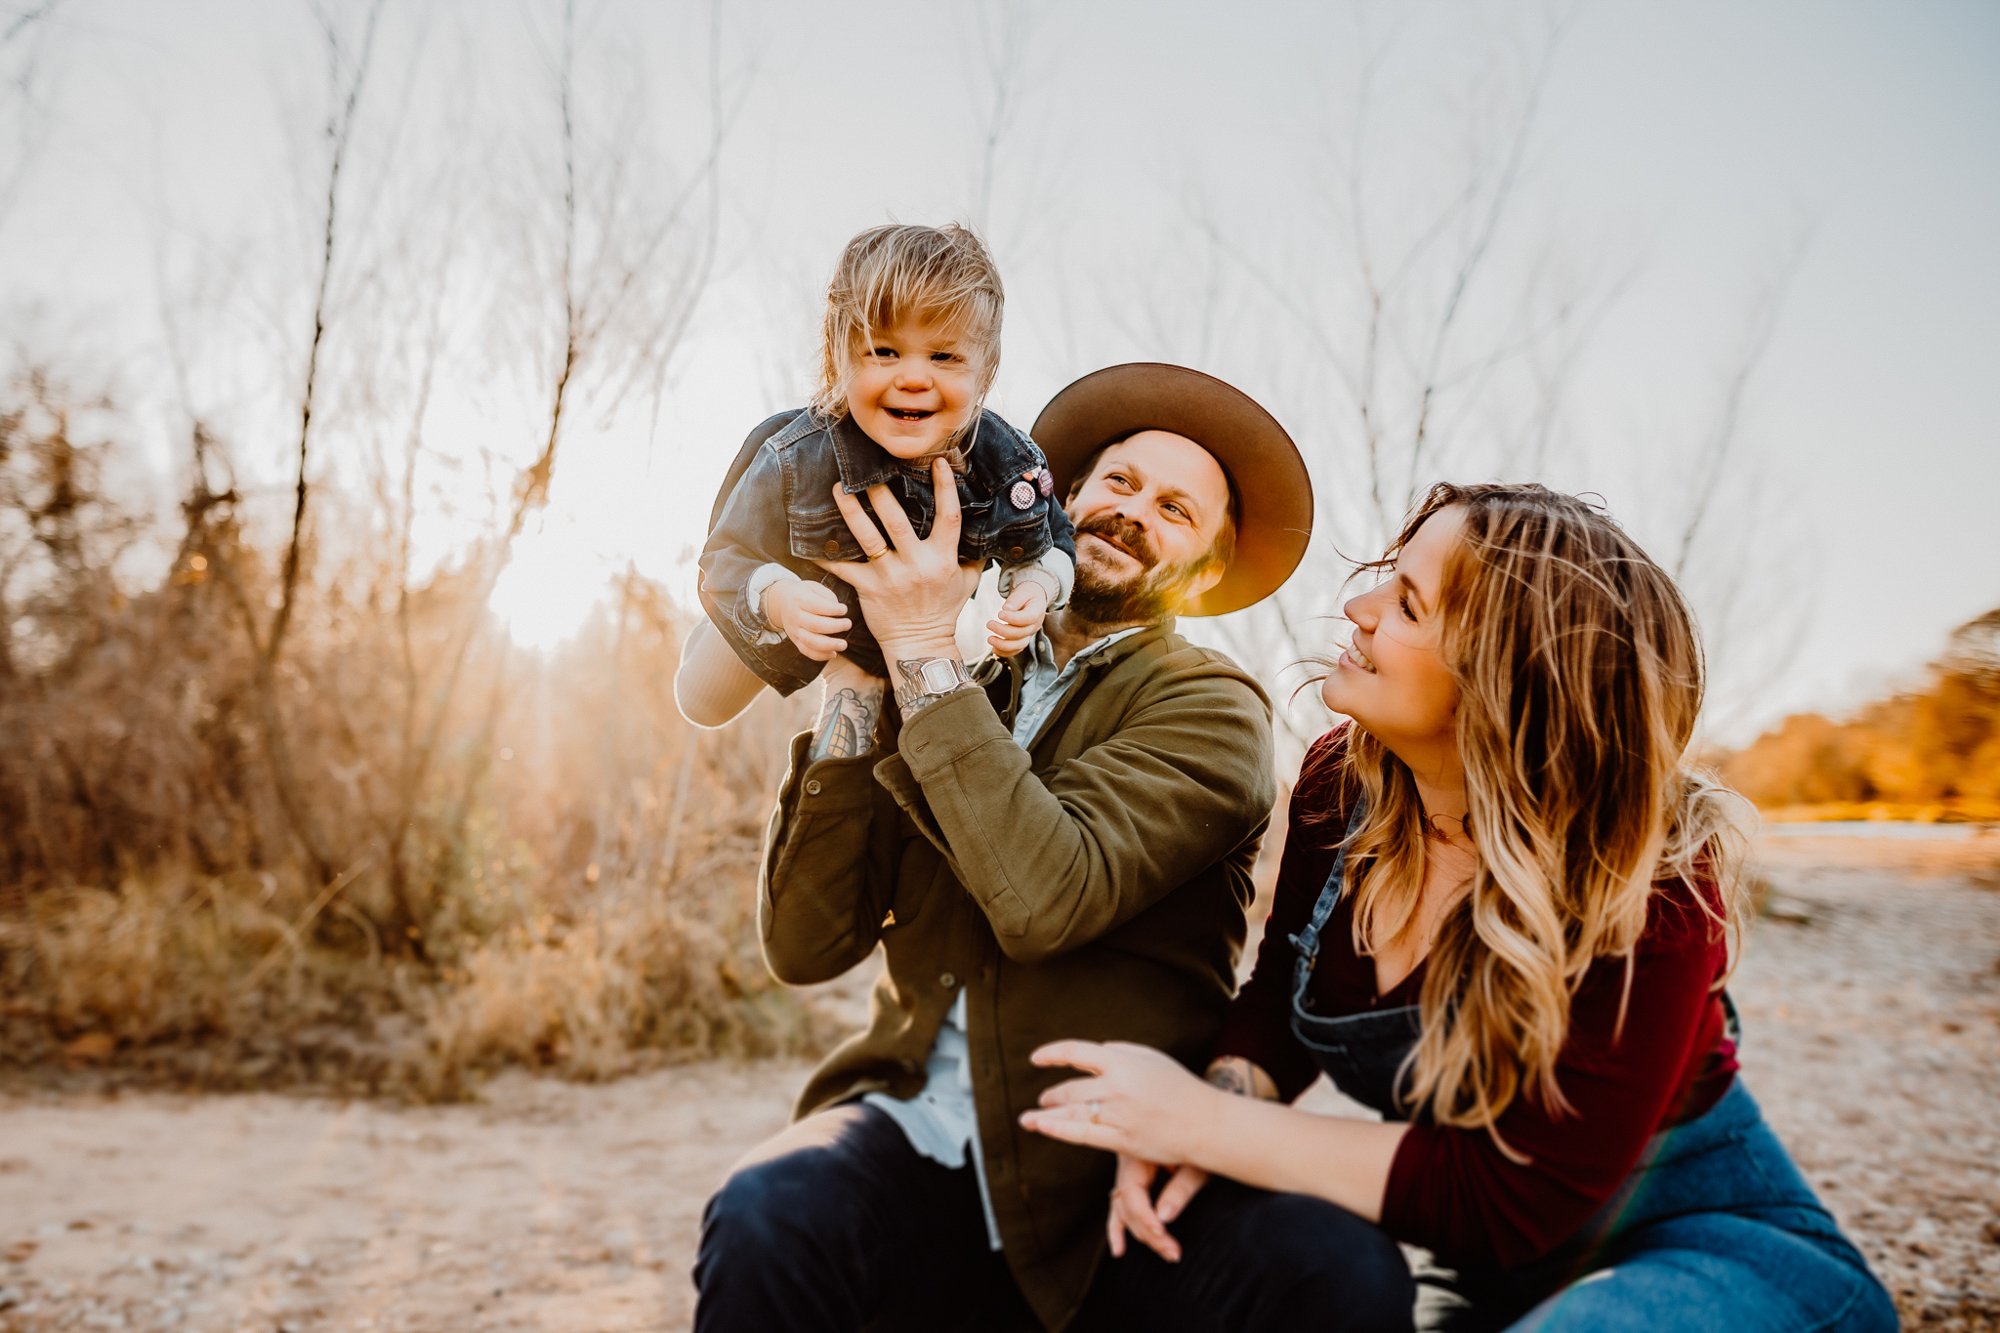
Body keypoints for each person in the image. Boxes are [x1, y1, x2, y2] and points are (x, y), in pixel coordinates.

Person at [1021, 483, 1899, 1332]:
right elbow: (1281, 998)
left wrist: (1203, 1120)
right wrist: (1187, 1135)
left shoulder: (1656, 880)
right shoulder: (1342, 782)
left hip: (1712, 1249)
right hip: (1488, 1282)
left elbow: (1511, 1195)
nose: (1359, 605)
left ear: (1508, 679)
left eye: (1409, 604)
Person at [691, 364, 1314, 1331]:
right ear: (1060, 500)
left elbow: (1043, 897)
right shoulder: (961, 663)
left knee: (1329, 1272)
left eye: (1176, 509)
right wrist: (860, 684)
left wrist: (921, 659)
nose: (1134, 511)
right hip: (913, 1130)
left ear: (1205, 569)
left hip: (1091, 1167)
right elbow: (807, 945)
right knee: (769, 1209)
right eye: (1118, 482)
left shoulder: (1215, 711)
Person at [674, 222, 1076, 729]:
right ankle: (711, 630)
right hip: (792, 600)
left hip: (904, 636)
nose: (911, 377)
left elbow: (1054, 538)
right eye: (883, 352)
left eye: (944, 356)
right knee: (702, 705)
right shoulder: (796, 456)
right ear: (839, 357)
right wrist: (779, 599)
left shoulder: (1007, 465)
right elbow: (724, 555)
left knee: (884, 757)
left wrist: (1035, 590)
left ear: (984, 372)